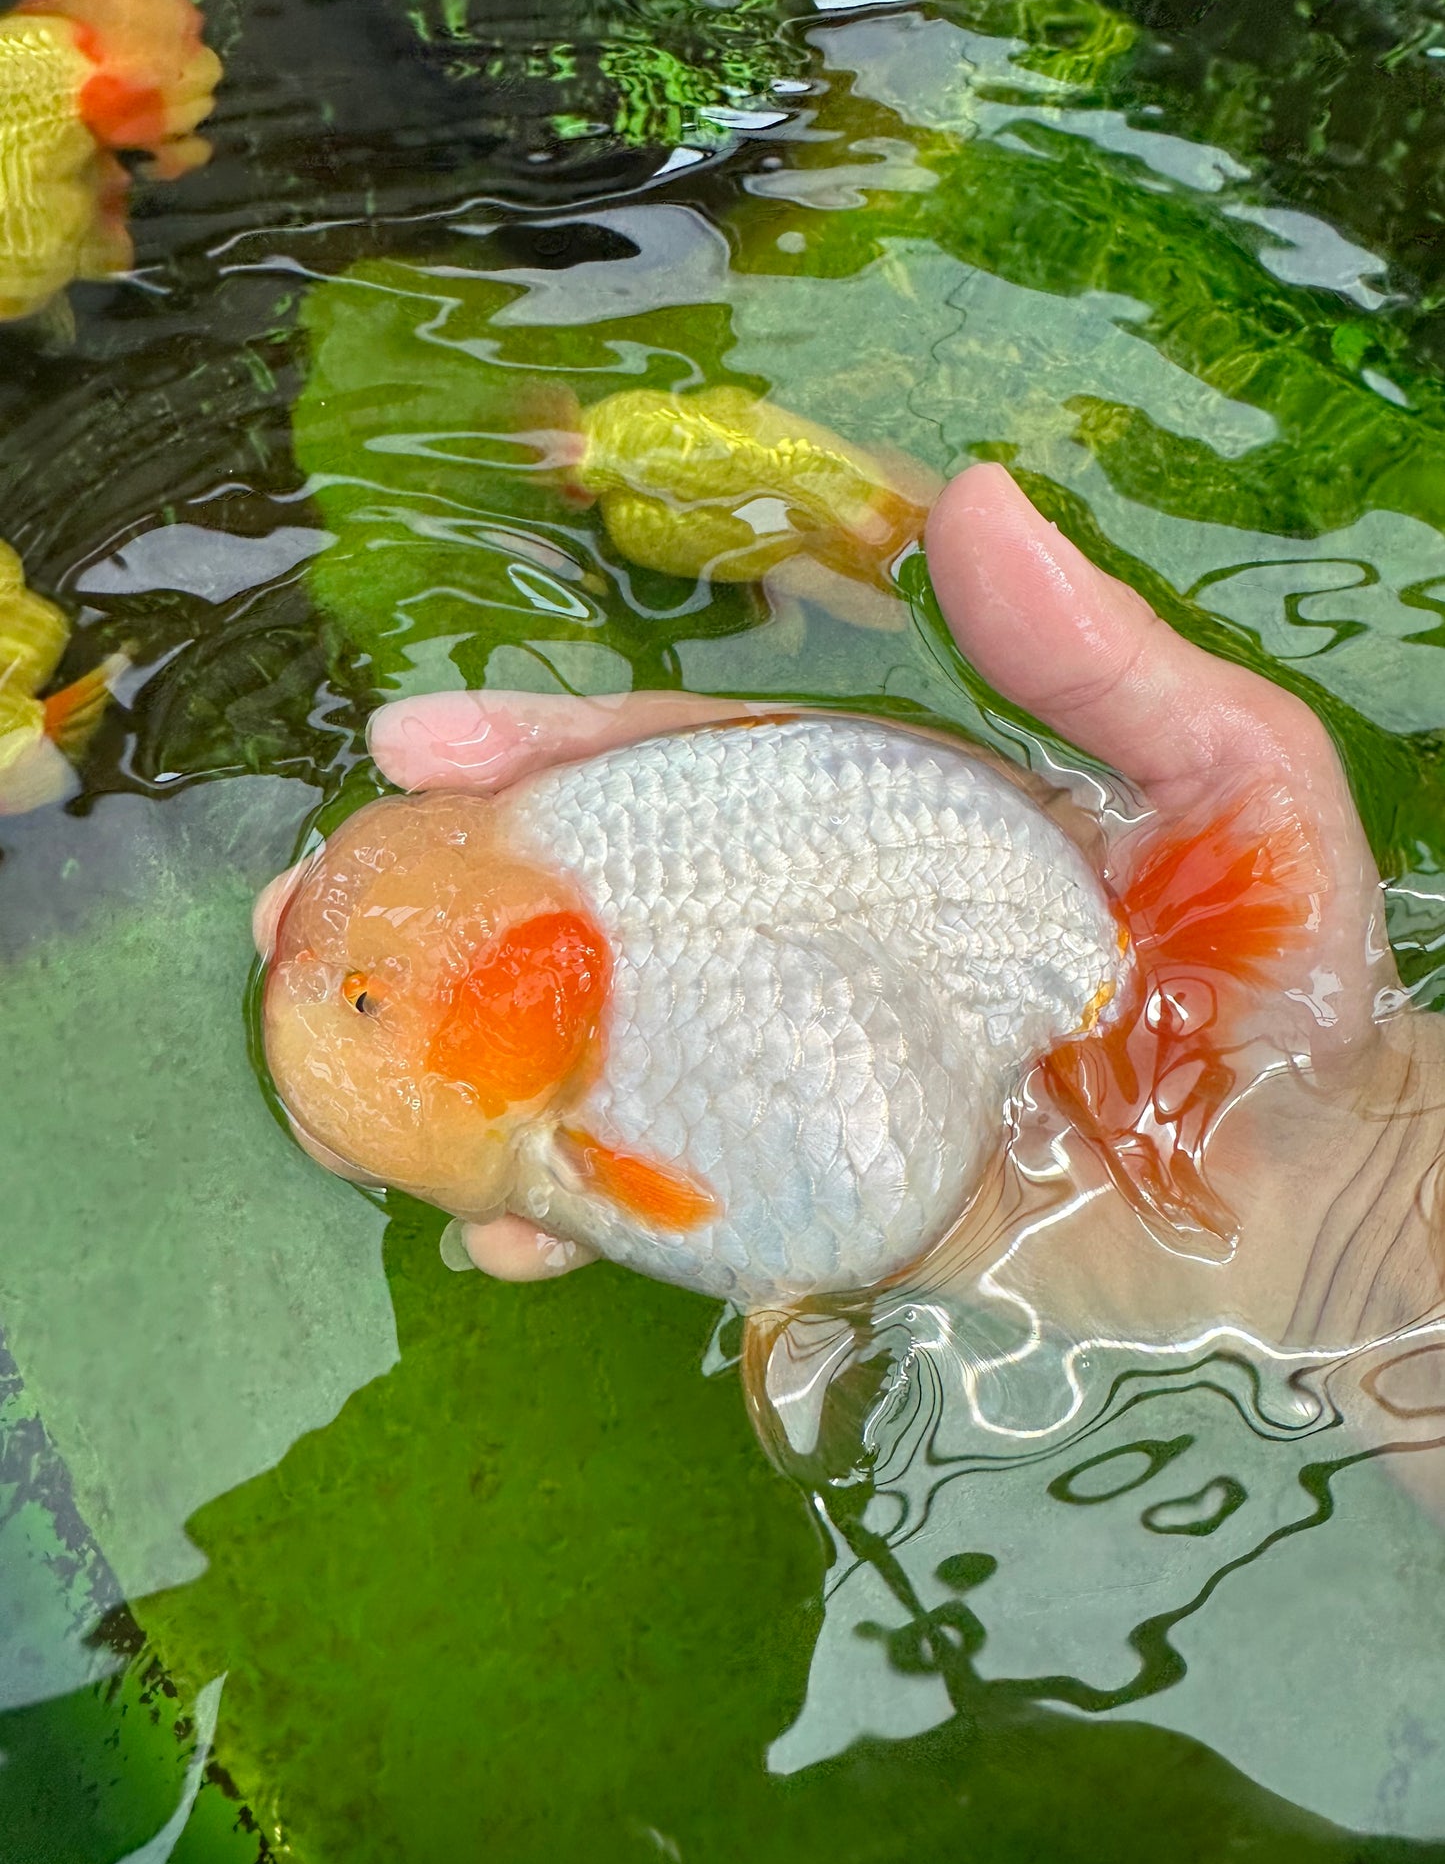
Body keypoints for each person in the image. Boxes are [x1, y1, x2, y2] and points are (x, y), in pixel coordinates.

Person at [256, 464, 1445, 1373]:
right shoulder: (556, 919)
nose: (338, 990)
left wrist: (1337, 1169)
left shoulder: (576, 1091)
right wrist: (1335, 1189)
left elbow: (680, 1193)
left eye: (370, 998)